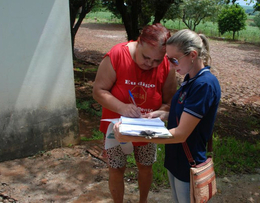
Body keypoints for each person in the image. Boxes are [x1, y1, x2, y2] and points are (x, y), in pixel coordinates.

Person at [113, 29, 221, 203]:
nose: (170, 65)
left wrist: (131, 134)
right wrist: (162, 114)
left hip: (189, 163)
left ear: (193, 55)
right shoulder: (190, 80)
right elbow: (187, 115)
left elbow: (181, 134)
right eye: (168, 59)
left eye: (174, 59)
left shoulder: (204, 85)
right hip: (177, 161)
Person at [92, 23, 177, 203]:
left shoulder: (167, 66)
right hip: (116, 127)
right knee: (116, 168)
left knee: (145, 167)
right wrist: (122, 107)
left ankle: (143, 201)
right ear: (138, 42)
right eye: (146, 57)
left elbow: (170, 102)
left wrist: (161, 112)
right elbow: (99, 91)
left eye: (157, 61)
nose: (150, 64)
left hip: (147, 128)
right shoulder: (117, 55)